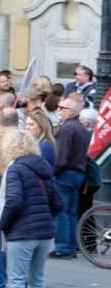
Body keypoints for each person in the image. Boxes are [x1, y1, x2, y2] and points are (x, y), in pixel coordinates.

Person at [0, 131, 62, 288]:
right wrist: (43, 217)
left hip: (22, 233)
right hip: (44, 232)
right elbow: (58, 203)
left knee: (16, 281)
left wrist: (4, 225)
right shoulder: (43, 169)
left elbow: (13, 201)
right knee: (38, 280)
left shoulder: (16, 169)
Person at [51, 95, 91, 259]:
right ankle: (71, 245)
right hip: (78, 173)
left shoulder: (67, 129)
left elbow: (61, 157)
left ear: (70, 111)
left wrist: (52, 173)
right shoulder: (81, 128)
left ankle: (62, 247)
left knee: (61, 211)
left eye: (62, 108)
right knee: (71, 212)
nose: (59, 111)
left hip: (65, 173)